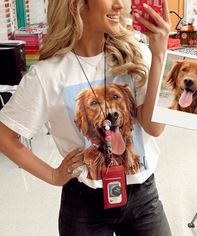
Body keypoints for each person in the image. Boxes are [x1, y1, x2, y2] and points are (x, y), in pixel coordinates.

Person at [0, 0, 171, 235]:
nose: (120, 5)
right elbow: (4, 135)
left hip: (143, 196)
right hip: (84, 204)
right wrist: (52, 175)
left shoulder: (136, 54)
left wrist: (159, 54)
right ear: (77, 5)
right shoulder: (47, 74)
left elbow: (154, 128)